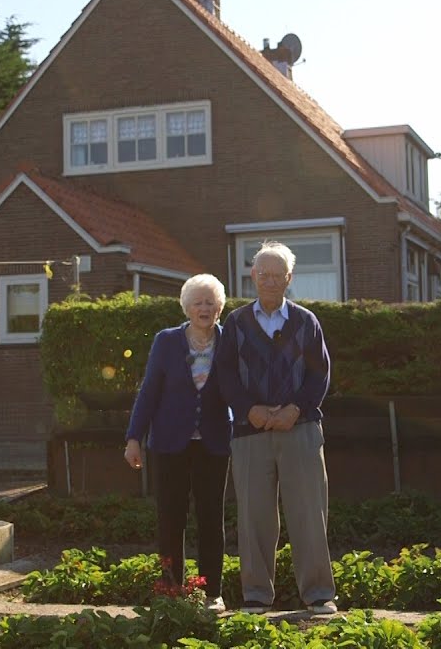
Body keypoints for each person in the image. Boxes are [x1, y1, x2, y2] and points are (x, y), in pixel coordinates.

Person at [216, 240, 337, 615]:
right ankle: (255, 596)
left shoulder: (306, 322)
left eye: (277, 275)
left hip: (299, 430)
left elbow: (321, 375)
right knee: (254, 515)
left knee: (309, 512)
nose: (269, 281)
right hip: (250, 433)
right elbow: (225, 375)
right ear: (253, 276)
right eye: (262, 274)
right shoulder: (235, 323)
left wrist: (295, 409)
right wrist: (247, 409)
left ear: (289, 278)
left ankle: (318, 594)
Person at [124, 273, 233, 612]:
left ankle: (211, 592)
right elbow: (149, 391)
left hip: (214, 444)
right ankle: (170, 589)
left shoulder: (231, 340)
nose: (205, 308)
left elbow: (243, 388)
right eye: (198, 302)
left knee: (211, 517)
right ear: (186, 307)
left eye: (211, 302)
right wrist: (133, 438)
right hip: (170, 443)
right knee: (170, 517)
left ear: (220, 308)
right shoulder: (167, 341)